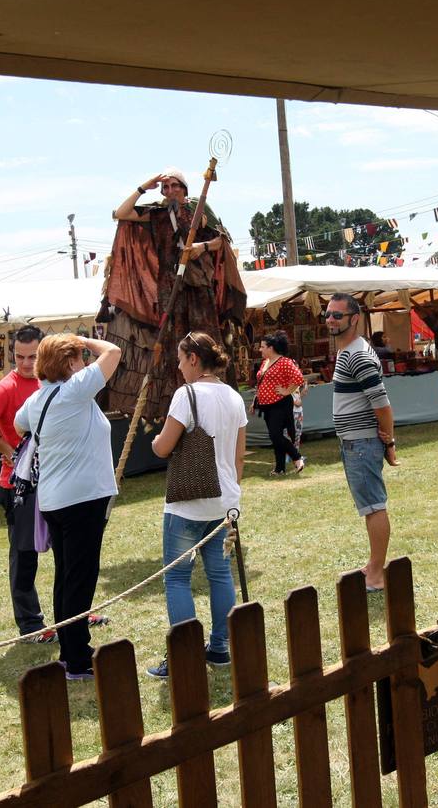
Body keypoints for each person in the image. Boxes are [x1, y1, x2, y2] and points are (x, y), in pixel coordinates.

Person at [13, 334, 122, 680]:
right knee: (79, 578)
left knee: (67, 577)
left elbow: (18, 425)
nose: (85, 362)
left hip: (55, 500)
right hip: (82, 499)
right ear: (71, 363)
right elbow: (114, 352)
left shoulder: (38, 399)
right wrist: (83, 339)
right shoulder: (75, 389)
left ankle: (72, 648)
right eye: (79, 357)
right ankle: (76, 658)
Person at [100, 168, 247, 420]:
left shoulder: (199, 209)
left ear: (184, 188)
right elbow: (121, 213)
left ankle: (214, 398)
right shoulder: (156, 214)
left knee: (204, 340)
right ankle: (181, 405)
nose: (169, 191)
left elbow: (221, 241)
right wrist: (145, 185)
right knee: (174, 347)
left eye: (174, 186)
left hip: (198, 286)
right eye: (165, 187)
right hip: (169, 288)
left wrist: (202, 247)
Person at [145, 332, 246, 679]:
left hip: (188, 504)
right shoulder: (233, 396)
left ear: (193, 359)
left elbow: (163, 447)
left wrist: (157, 438)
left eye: (179, 358)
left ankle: (185, 656)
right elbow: (237, 457)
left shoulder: (185, 395)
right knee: (220, 576)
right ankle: (220, 649)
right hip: (224, 503)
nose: (178, 366)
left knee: (177, 579)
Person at [0, 326, 59, 641]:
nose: (25, 363)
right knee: (24, 555)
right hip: (19, 487)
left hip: (56, 482)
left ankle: (73, 614)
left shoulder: (51, 379)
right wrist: (7, 451)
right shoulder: (7, 386)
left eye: (32, 356)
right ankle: (31, 625)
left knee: (66, 550)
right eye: (20, 356)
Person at [325, 293, 399, 592]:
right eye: (327, 314)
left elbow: (382, 405)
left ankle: (377, 574)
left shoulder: (356, 354)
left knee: (374, 507)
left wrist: (389, 441)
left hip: (361, 443)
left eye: (337, 315)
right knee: (370, 506)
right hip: (356, 441)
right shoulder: (350, 350)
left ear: (354, 319)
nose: (330, 319)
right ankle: (373, 564)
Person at [251, 331, 306, 476]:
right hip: (266, 405)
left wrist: (287, 391)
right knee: (275, 437)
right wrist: (255, 401)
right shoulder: (264, 363)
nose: (260, 349)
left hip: (280, 404)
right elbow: (261, 384)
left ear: (271, 347)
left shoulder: (284, 362)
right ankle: (280, 468)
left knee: (276, 435)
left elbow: (299, 379)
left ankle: (297, 457)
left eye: (262, 347)